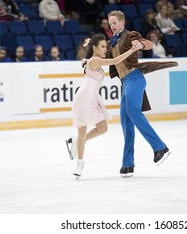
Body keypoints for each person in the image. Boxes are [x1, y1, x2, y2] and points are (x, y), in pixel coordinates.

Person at [107, 10, 177, 177]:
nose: (112, 26)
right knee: (126, 123)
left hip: (135, 77)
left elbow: (148, 44)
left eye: (115, 23)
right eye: (110, 24)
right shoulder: (112, 42)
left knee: (133, 111)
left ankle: (160, 147)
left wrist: (140, 45)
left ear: (122, 22)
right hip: (125, 83)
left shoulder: (130, 35)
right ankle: (127, 164)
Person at [65, 33, 142, 179]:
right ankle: (79, 163)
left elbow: (92, 59)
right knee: (82, 131)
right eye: (102, 47)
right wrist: (132, 50)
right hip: (84, 97)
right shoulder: (94, 60)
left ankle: (75, 142)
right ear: (95, 48)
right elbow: (116, 60)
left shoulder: (93, 60)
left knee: (102, 128)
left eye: (105, 47)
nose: (105, 49)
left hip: (93, 97)